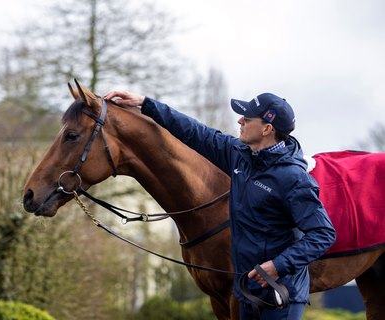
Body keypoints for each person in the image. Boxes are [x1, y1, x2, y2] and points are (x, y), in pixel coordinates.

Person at [104, 90, 336, 320]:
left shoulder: (293, 178)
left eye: (248, 118)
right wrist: (145, 103)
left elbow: (323, 234)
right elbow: (194, 132)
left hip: (280, 297)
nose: (240, 120)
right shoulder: (240, 156)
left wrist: (277, 266)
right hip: (246, 291)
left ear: (267, 129)